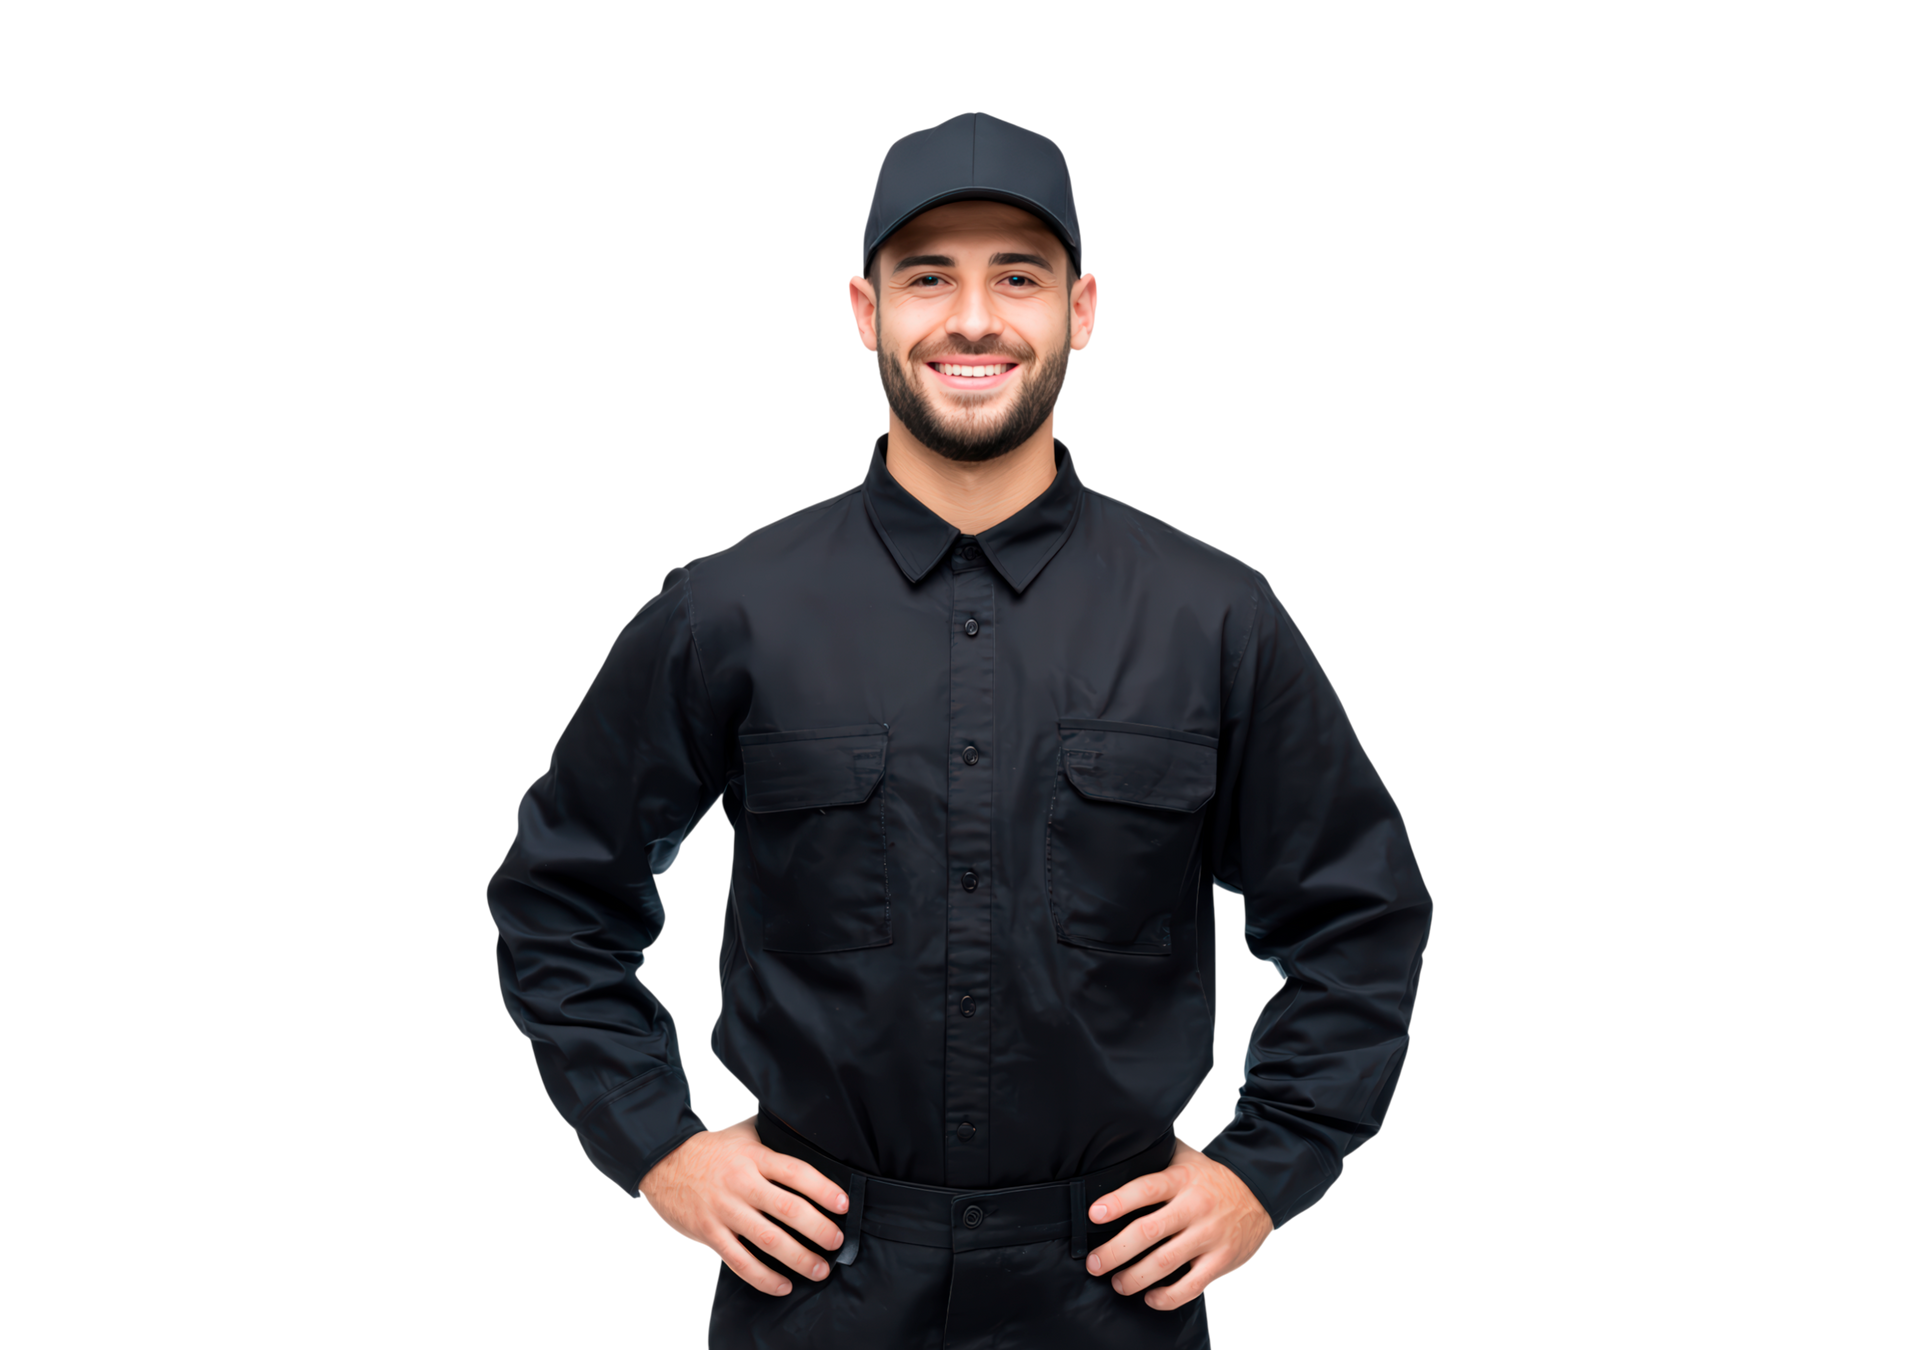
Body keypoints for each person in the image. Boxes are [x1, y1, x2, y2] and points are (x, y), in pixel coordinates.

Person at [489, 111, 1431, 1349]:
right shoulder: (729, 611)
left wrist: (1270, 1167)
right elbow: (559, 897)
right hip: (813, 1288)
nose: (973, 319)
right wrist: (658, 1147)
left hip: (1114, 1292)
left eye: (1018, 278)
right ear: (863, 312)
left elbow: (1360, 917)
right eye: (928, 276)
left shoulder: (1217, 618)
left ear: (1082, 312)